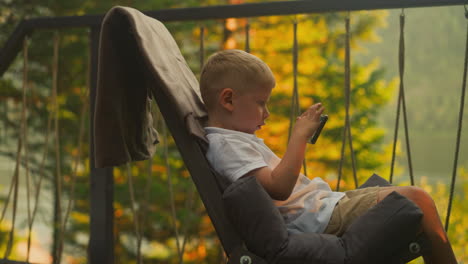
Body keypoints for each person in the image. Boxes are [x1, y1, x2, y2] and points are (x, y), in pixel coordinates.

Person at [200, 49, 457, 264]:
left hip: (321, 207)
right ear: (229, 100)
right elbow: (279, 187)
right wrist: (299, 137)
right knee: (418, 199)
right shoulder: (228, 147)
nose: (266, 113)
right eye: (260, 103)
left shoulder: (232, 141)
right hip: (317, 219)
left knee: (409, 201)